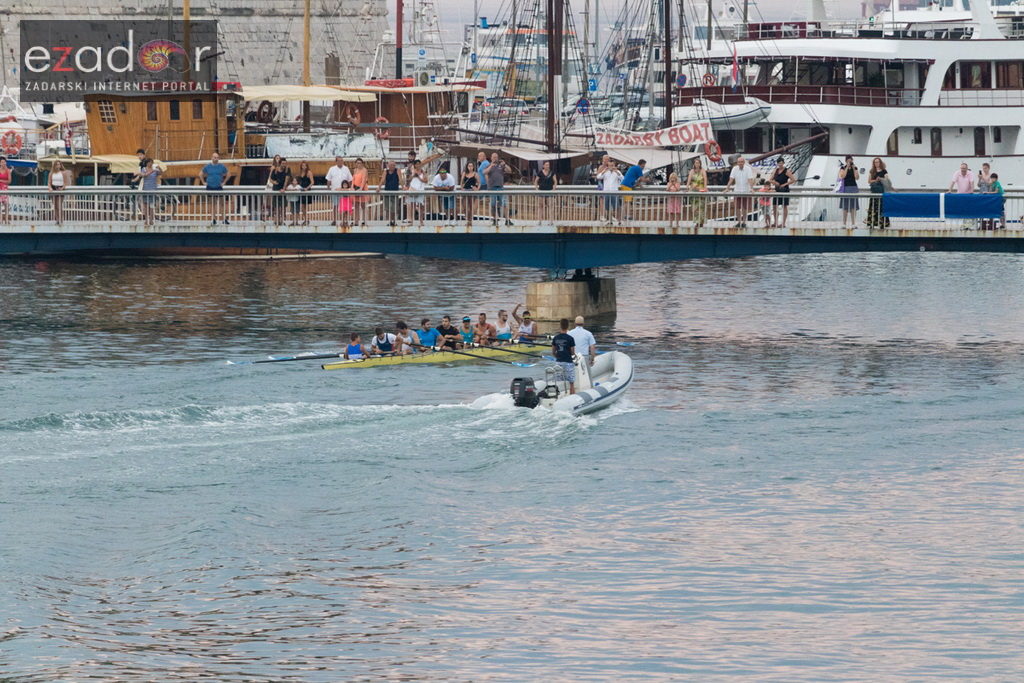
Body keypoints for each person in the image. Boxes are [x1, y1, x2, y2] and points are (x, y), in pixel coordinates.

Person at [199, 152, 231, 225]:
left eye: (217, 158)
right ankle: (213, 219)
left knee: (222, 204)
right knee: (212, 204)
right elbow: (200, 174)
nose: (215, 159)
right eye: (214, 157)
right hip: (210, 186)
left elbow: (228, 174)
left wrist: (224, 182)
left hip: (219, 187)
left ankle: (224, 219)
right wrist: (203, 182)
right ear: (211, 158)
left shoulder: (222, 166)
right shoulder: (207, 166)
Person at [725, 156, 755, 228]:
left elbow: (750, 179)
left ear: (744, 162)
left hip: (746, 190)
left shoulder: (748, 169)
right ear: (737, 163)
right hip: (737, 190)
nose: (740, 163)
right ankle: (738, 222)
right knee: (737, 207)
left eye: (741, 162)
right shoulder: (734, 169)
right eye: (739, 162)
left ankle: (744, 222)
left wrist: (751, 188)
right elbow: (731, 179)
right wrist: (727, 188)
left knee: (745, 207)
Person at [132, 157, 162, 227]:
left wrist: (159, 168)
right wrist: (151, 171)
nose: (150, 164)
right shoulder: (144, 169)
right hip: (145, 188)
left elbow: (160, 173)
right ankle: (146, 220)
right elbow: (144, 174)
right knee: (145, 205)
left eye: (151, 162)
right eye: (149, 162)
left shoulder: (155, 169)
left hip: (153, 189)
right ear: (147, 163)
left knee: (151, 206)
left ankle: (151, 220)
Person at [325, 156, 353, 226]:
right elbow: (328, 180)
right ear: (336, 162)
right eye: (339, 160)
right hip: (335, 190)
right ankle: (334, 220)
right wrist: (328, 189)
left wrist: (350, 190)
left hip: (344, 192)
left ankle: (344, 221)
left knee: (344, 207)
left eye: (342, 160)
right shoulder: (332, 169)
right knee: (335, 206)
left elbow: (350, 180)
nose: (341, 162)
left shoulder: (346, 169)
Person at [551, 318, 577, 395]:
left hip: (558, 362)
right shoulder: (570, 338)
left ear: (560, 326)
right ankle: (571, 397)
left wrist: (558, 357)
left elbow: (553, 352)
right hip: (568, 362)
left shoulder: (556, 338)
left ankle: (559, 396)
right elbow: (572, 353)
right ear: (568, 326)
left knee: (559, 382)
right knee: (571, 383)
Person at [485, 153, 511, 226]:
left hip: (500, 187)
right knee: (493, 205)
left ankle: (507, 220)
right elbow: (485, 172)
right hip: (492, 187)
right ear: (491, 158)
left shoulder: (501, 166)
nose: (495, 159)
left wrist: (505, 164)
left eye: (496, 157)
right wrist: (491, 166)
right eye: (494, 157)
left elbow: (509, 171)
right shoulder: (489, 165)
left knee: (504, 204)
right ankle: (495, 219)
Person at [596, 157, 624, 224]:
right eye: (610, 165)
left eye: (612, 165)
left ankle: (619, 220)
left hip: (614, 191)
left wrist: (616, 171)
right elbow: (598, 177)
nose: (611, 167)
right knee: (607, 207)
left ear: (614, 165)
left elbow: (623, 178)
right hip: (607, 191)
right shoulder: (605, 172)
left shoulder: (617, 172)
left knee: (617, 207)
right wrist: (604, 171)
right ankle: (609, 220)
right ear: (608, 165)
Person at [866, 157, 891, 229]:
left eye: (877, 162)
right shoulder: (872, 171)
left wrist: (880, 179)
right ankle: (872, 223)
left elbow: (886, 180)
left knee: (881, 207)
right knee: (873, 207)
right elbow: (869, 181)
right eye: (875, 162)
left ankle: (882, 223)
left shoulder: (884, 171)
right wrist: (875, 180)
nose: (876, 163)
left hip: (881, 192)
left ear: (880, 163)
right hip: (874, 192)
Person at [770, 157, 795, 229]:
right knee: (775, 206)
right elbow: (770, 179)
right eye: (779, 163)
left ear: (783, 163)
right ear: (777, 164)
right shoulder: (776, 170)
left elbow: (793, 180)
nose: (780, 164)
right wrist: (775, 182)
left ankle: (783, 223)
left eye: (781, 163)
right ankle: (775, 221)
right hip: (777, 190)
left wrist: (784, 184)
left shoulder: (787, 171)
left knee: (784, 206)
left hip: (784, 190)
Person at [838, 155, 860, 228]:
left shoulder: (855, 168)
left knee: (853, 206)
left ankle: (853, 223)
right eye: (848, 161)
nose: (849, 162)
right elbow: (842, 176)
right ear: (846, 161)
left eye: (850, 161)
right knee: (845, 206)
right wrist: (847, 167)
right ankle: (844, 223)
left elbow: (857, 177)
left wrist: (853, 168)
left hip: (853, 187)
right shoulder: (842, 168)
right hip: (845, 188)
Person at [685, 159, 709, 227]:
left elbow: (705, 179)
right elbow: (689, 180)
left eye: (698, 163)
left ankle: (701, 222)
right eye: (696, 163)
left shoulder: (703, 170)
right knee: (695, 208)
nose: (697, 164)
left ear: (700, 164)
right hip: (693, 190)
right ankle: (696, 222)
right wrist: (687, 188)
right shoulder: (692, 171)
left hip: (701, 190)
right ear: (694, 164)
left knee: (701, 207)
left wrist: (705, 188)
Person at [379, 160, 402, 227]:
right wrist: (379, 188)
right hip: (387, 191)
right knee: (388, 207)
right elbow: (382, 180)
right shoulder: (386, 171)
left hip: (395, 191)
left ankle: (394, 220)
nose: (392, 166)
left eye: (393, 165)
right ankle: (389, 221)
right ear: (388, 166)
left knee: (394, 207)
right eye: (391, 165)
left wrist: (403, 188)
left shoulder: (397, 170)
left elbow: (400, 180)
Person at [406, 159, 427, 227]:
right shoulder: (411, 171)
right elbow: (408, 180)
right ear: (414, 165)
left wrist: (418, 177)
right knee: (413, 206)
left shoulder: (423, 172)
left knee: (421, 206)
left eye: (419, 164)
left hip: (420, 190)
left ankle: (421, 221)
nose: (418, 165)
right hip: (413, 189)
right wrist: (413, 176)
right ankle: (412, 221)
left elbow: (426, 180)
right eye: (416, 164)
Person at [48, 160, 70, 226]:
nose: (58, 166)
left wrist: (62, 188)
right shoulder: (51, 173)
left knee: (59, 205)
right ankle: (57, 220)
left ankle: (61, 219)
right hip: (54, 188)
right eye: (57, 164)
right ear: (54, 165)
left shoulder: (63, 173)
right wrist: (50, 188)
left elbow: (66, 182)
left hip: (60, 188)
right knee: (55, 205)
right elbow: (49, 182)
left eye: (59, 164)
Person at [269, 156, 289, 226]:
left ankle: (282, 220)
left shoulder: (287, 170)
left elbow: (286, 179)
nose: (284, 165)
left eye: (285, 163)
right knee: (276, 206)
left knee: (283, 206)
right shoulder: (275, 170)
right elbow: (270, 179)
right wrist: (274, 182)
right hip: (275, 189)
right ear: (280, 163)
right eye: (283, 163)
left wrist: (283, 188)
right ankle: (277, 220)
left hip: (282, 190)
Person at [294, 161, 314, 226]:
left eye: (305, 165)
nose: (304, 167)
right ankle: (305, 219)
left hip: (306, 190)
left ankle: (306, 219)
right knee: (302, 206)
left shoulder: (309, 172)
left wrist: (307, 188)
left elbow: (312, 182)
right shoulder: (300, 172)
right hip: (301, 190)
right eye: (302, 166)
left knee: (304, 206)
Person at [352, 157, 369, 226]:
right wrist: (352, 188)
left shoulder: (364, 170)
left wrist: (361, 189)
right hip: (355, 188)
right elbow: (353, 180)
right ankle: (356, 221)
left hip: (362, 188)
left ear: (362, 164)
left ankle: (364, 220)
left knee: (363, 205)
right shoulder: (355, 170)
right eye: (357, 163)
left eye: (360, 163)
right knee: (356, 205)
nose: (359, 164)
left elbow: (364, 179)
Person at [461, 161, 479, 227]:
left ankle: (470, 220)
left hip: (471, 191)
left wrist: (477, 189)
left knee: (471, 206)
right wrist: (462, 188)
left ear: (473, 167)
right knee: (465, 206)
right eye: (469, 166)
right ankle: (467, 218)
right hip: (465, 190)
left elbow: (479, 183)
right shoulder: (464, 173)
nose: (470, 168)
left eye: (471, 166)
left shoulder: (475, 174)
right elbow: (461, 181)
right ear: (467, 167)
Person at [0, 157, 12, 225]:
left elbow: (9, 181)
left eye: (4, 162)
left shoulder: (8, 171)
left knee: (6, 204)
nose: (4, 163)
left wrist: (1, 181)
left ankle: (6, 220)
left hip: (5, 188)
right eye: (2, 162)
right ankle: (0, 220)